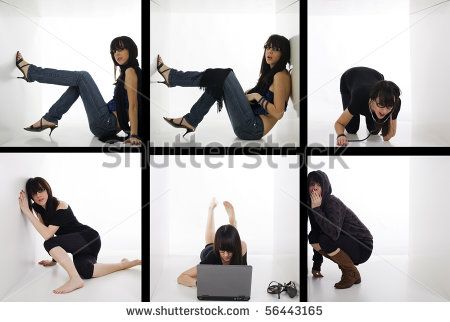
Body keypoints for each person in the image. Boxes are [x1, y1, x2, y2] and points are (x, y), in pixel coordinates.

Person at [18, 177, 141, 294]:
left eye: (41, 190)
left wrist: (27, 212)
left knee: (48, 243)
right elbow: (50, 235)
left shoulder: (61, 205)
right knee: (86, 271)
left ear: (47, 189)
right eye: (34, 193)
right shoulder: (39, 209)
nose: (38, 195)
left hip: (88, 238)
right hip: (78, 247)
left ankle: (75, 279)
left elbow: (47, 236)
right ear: (32, 197)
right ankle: (124, 264)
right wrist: (53, 261)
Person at [157, 34, 292, 140]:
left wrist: (257, 96)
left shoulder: (280, 75)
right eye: (268, 47)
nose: (269, 51)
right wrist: (245, 94)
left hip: (252, 128)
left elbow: (279, 113)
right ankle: (190, 120)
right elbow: (252, 98)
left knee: (226, 75)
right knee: (220, 81)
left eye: (275, 49)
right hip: (248, 124)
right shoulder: (270, 73)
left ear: (283, 54)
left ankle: (173, 77)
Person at [15, 36, 143, 145]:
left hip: (106, 123)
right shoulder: (131, 70)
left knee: (82, 76)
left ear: (131, 50)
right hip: (108, 124)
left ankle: (31, 72)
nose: (117, 54)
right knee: (79, 83)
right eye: (114, 51)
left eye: (121, 49)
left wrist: (134, 135)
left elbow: (133, 106)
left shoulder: (130, 71)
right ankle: (50, 118)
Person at [307, 170, 373, 289]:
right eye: (312, 184)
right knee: (313, 236)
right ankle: (353, 272)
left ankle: (350, 273)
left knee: (325, 239)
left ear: (325, 186)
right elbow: (316, 231)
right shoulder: (313, 205)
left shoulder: (332, 202)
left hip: (363, 245)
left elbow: (333, 234)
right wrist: (316, 266)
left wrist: (317, 209)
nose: (315, 188)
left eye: (319, 185)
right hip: (346, 242)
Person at [177, 198, 248, 287]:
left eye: (229, 251)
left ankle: (233, 224)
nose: (226, 255)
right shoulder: (212, 257)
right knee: (210, 242)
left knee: (235, 241)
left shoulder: (242, 247)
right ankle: (211, 209)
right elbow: (181, 277)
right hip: (209, 250)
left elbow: (236, 243)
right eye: (222, 252)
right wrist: (198, 283)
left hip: (231, 244)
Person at [335, 67, 401, 146]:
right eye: (381, 104)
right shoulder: (359, 97)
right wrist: (341, 135)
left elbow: (387, 137)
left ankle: (374, 110)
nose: (384, 111)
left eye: (389, 107)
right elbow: (339, 123)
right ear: (372, 99)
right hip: (349, 78)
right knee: (352, 129)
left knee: (374, 131)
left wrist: (392, 113)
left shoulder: (395, 102)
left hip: (376, 75)